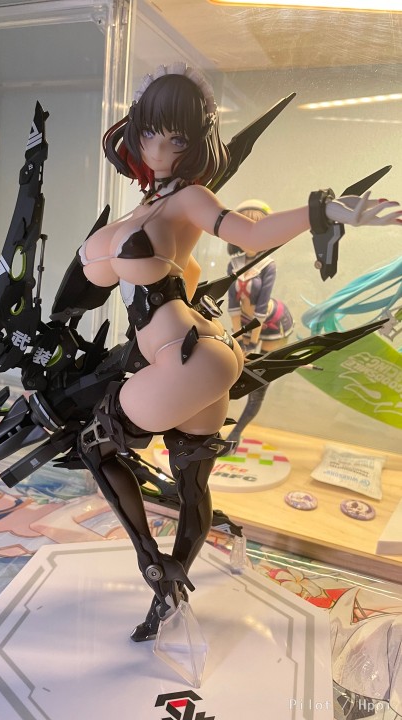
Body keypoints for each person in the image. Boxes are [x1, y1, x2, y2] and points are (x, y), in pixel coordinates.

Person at [75, 62, 401, 641]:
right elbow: (94, 276)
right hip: (201, 353)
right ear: (135, 131)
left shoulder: (190, 198)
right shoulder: (151, 206)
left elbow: (249, 233)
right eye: (151, 132)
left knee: (95, 446)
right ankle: (173, 585)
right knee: (192, 483)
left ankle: (155, 567)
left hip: (184, 354)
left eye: (178, 138)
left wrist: (326, 210)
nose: (161, 148)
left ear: (197, 143)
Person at [225, 199, 294, 445]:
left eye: (258, 229)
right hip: (245, 323)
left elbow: (262, 306)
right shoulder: (234, 265)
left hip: (273, 323)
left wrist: (252, 343)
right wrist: (239, 339)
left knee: (258, 384)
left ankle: (236, 433)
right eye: (244, 228)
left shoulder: (267, 265)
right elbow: (233, 305)